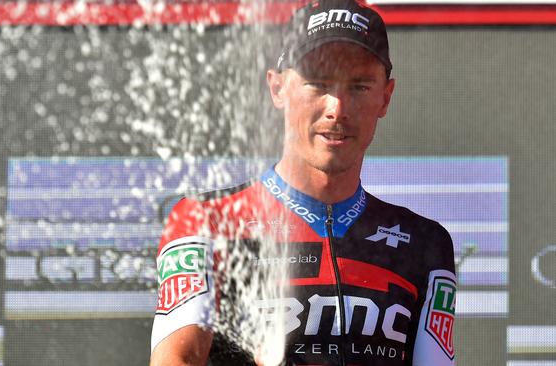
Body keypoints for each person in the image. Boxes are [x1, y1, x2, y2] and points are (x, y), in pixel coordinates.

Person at [149, 0, 456, 365]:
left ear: (385, 97)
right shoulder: (206, 220)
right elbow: (176, 360)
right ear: (278, 89)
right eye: (317, 83)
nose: (337, 108)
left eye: (358, 86)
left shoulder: (424, 244)